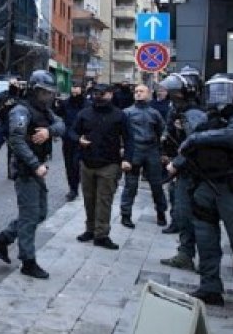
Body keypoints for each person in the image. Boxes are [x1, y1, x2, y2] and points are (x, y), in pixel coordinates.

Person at [168, 75, 233, 317]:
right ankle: (210, 287)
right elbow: (187, 149)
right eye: (214, 91)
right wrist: (177, 162)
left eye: (224, 91)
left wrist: (195, 139)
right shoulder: (209, 121)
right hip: (206, 187)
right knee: (206, 242)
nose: (218, 97)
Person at [0, 70, 64, 279]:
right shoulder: (21, 110)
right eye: (43, 93)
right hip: (25, 170)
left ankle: (3, 239)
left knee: (39, 213)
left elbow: (61, 125)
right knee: (30, 216)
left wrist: (49, 131)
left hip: (37, 169)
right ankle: (27, 261)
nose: (48, 97)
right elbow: (17, 141)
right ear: (34, 90)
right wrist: (34, 164)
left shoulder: (45, 111)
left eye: (49, 93)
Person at [70, 84, 134, 250]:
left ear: (111, 95)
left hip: (109, 164)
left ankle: (102, 235)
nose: (98, 96)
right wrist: (79, 139)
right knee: (89, 199)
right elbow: (72, 132)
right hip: (87, 163)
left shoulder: (120, 115)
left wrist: (127, 159)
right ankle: (90, 230)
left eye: (102, 93)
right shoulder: (85, 113)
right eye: (96, 93)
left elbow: (129, 139)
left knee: (104, 201)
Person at [160, 71, 206, 271]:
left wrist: (177, 163)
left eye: (175, 92)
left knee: (191, 217)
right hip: (186, 172)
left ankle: (195, 257)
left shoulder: (193, 114)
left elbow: (196, 144)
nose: (171, 96)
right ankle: (185, 254)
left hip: (194, 174)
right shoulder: (180, 111)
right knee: (182, 214)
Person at [119, 84, 168, 228]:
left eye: (141, 91)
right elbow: (120, 132)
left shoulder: (154, 113)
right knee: (130, 185)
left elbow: (163, 129)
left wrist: (163, 142)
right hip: (134, 150)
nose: (138, 93)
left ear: (148, 94)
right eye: (136, 91)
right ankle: (126, 215)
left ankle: (161, 212)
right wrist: (122, 148)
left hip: (152, 149)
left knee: (156, 184)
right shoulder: (127, 113)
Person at [55, 82, 88, 201]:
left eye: (77, 88)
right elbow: (56, 116)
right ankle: (73, 189)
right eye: (73, 87)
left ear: (82, 89)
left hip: (82, 139)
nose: (74, 90)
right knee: (69, 165)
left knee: (78, 165)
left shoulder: (87, 104)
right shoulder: (65, 103)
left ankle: (82, 185)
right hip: (68, 138)